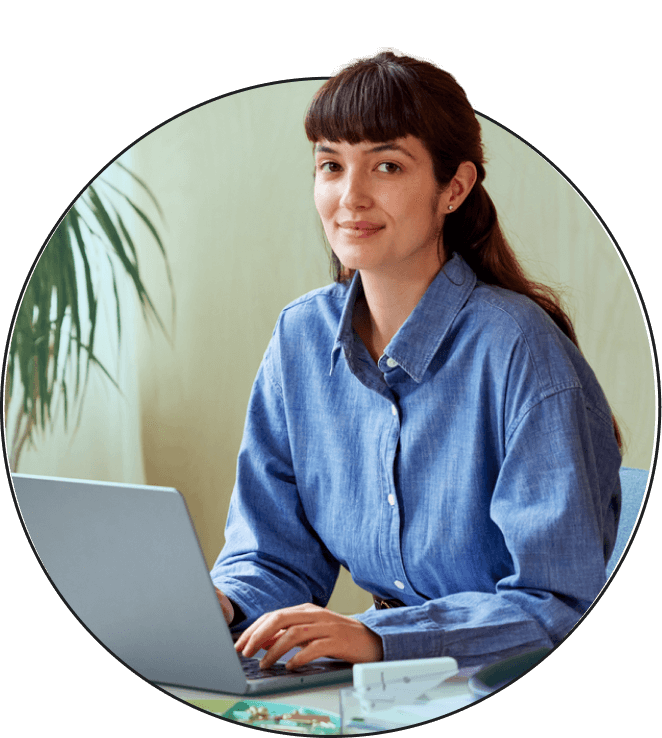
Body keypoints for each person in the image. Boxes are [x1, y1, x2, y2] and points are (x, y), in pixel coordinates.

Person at [210, 50, 622, 671]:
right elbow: (274, 557)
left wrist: (382, 638)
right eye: (330, 165)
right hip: (378, 689)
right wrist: (225, 606)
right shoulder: (301, 336)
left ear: (453, 188)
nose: (350, 196)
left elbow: (560, 602)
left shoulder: (520, 349)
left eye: (387, 165)